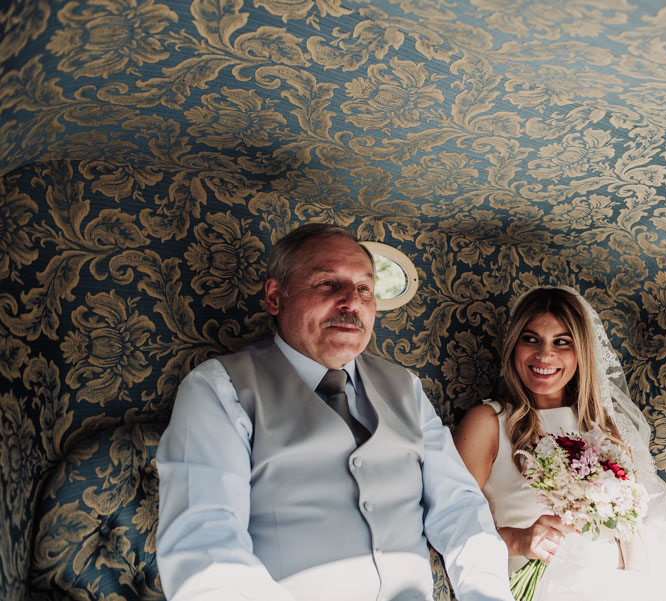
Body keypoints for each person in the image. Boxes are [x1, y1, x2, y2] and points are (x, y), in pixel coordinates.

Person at [156, 223, 515, 601]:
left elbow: (460, 508)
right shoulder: (219, 387)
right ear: (276, 297)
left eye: (364, 288)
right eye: (328, 284)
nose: (352, 302)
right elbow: (206, 548)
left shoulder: (405, 386)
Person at [453, 286, 666, 601]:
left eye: (562, 342)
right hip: (545, 580)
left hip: (618, 576)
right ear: (514, 345)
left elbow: (631, 522)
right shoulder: (489, 422)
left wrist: (635, 578)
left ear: (581, 353)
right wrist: (520, 540)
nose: (545, 356)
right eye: (531, 339)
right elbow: (454, 523)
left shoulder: (600, 426)